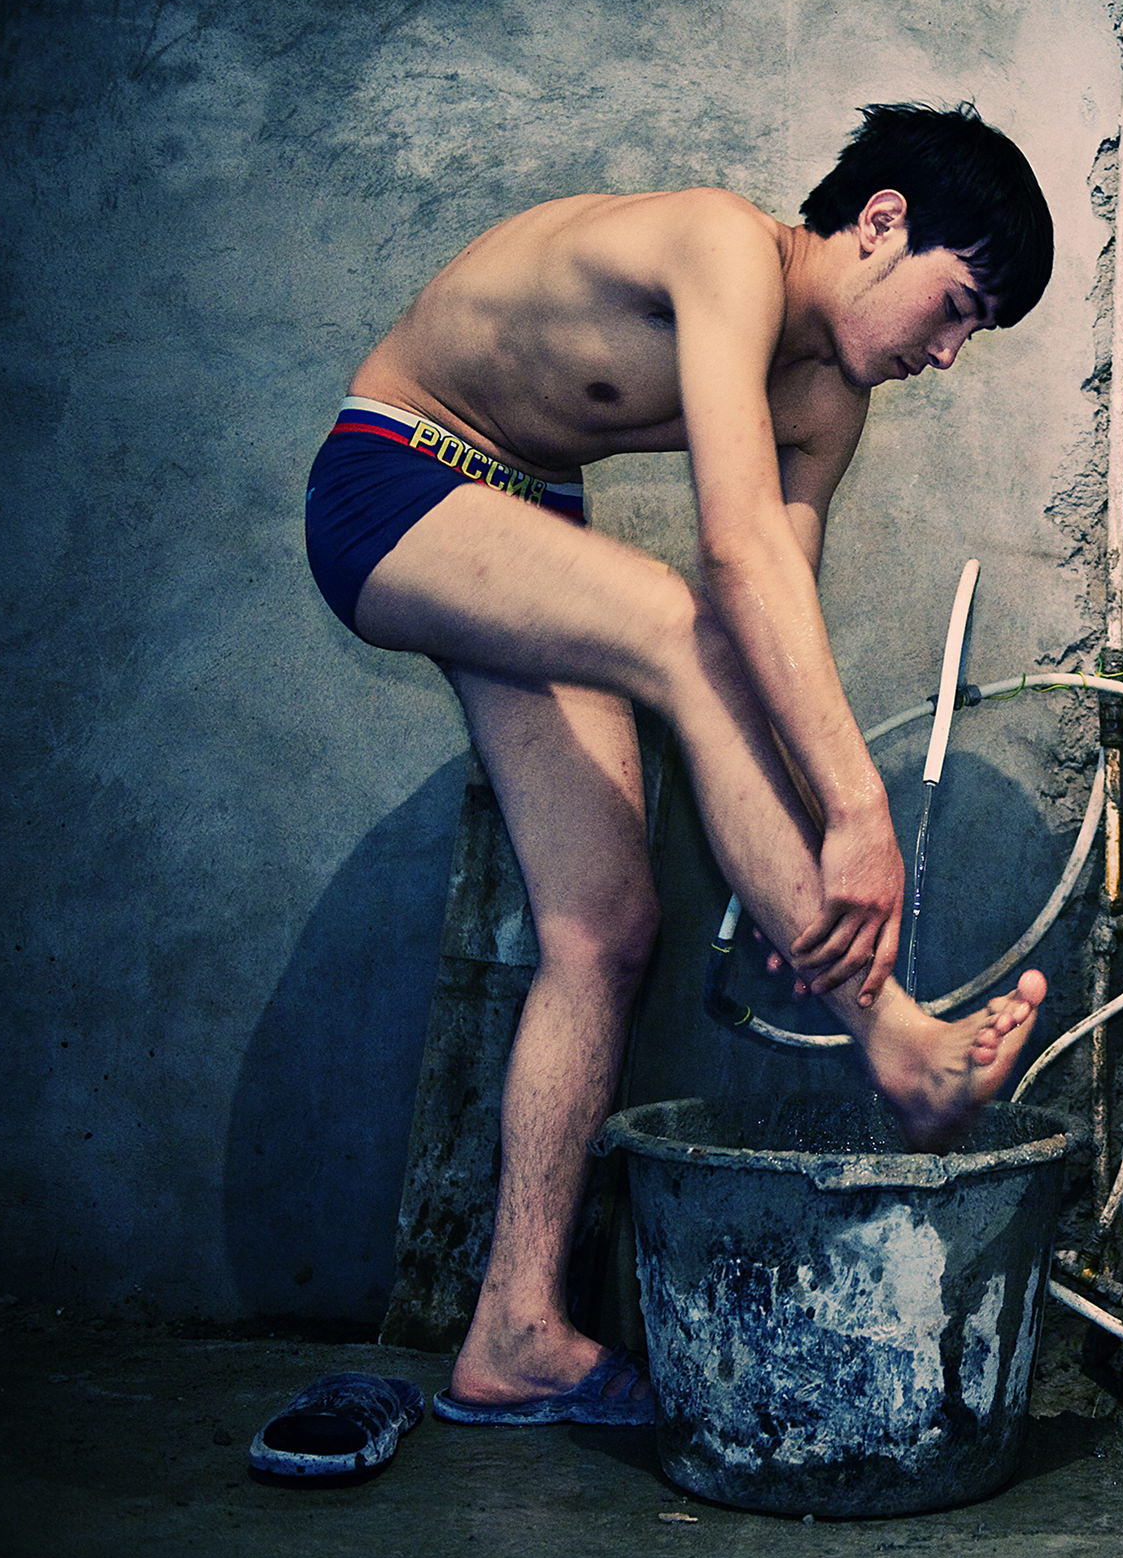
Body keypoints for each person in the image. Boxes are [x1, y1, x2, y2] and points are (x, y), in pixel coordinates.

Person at [303, 103, 1054, 1425]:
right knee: (672, 623)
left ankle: (514, 1331)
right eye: (953, 307)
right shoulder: (724, 246)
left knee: (605, 925)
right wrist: (855, 815)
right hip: (397, 474)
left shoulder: (826, 405)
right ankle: (899, 1046)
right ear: (881, 224)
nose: (945, 354)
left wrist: (785, 873)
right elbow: (732, 556)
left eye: (972, 336)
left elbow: (766, 649)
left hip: (525, 511)